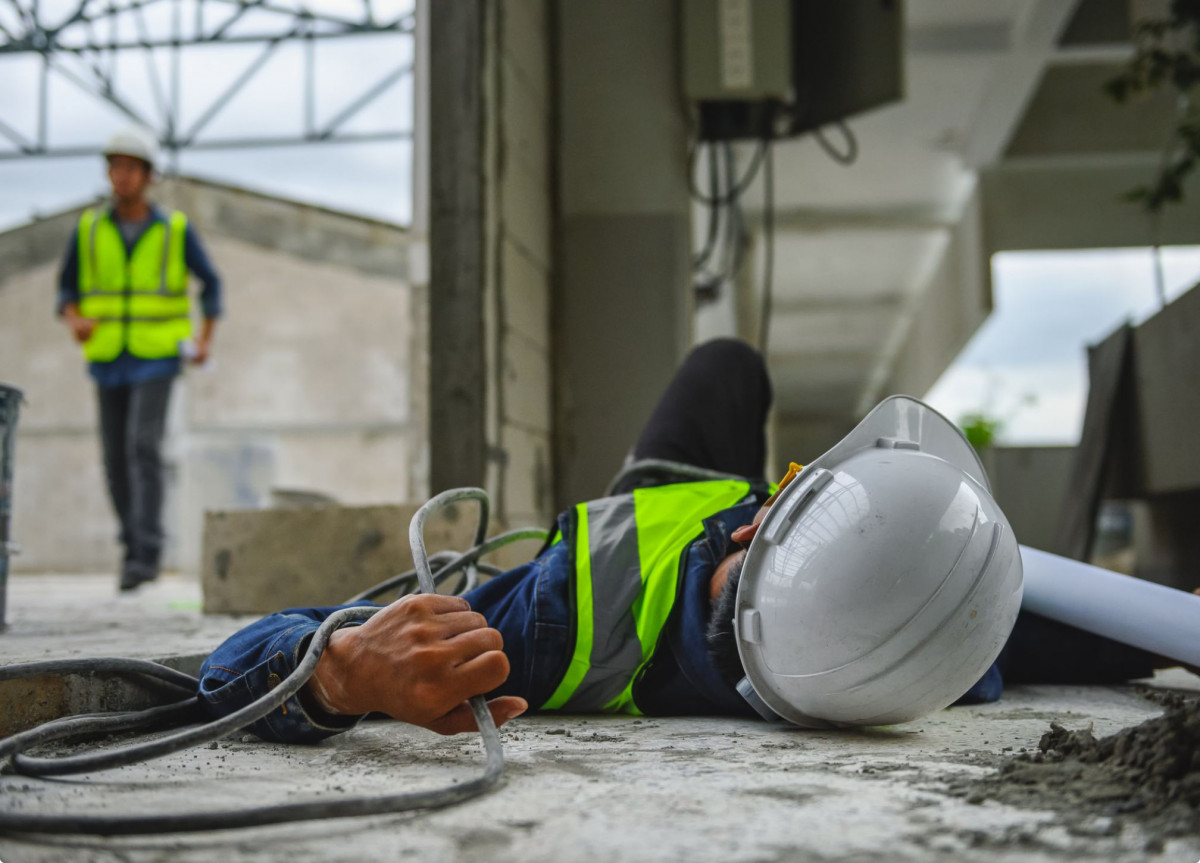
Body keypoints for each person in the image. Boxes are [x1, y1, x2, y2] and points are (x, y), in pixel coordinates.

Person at [199, 339, 1172, 743]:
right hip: (746, 545)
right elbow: (1150, 629)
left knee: (724, 363)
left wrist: (338, 672)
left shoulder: (541, 632)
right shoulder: (943, 646)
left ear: (758, 516)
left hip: (656, 504)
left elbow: (221, 673)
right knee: (730, 369)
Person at [57, 127, 222, 592]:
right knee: (114, 456)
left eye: (129, 167)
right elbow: (67, 290)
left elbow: (211, 284)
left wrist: (204, 338)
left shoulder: (174, 229)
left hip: (157, 354)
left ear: (148, 176)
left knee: (142, 445)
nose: (120, 176)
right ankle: (132, 545)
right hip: (108, 355)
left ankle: (146, 553)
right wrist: (75, 320)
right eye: (114, 167)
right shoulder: (89, 229)